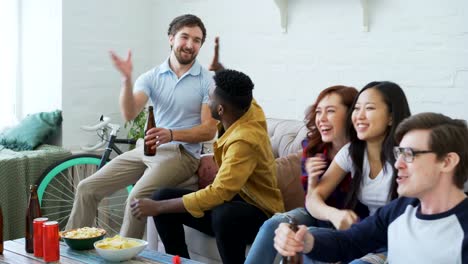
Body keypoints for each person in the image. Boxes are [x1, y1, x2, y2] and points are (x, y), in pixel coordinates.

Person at [65, 14, 218, 238]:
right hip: (147, 149)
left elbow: (209, 130)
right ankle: (73, 251)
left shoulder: (207, 81)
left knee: (136, 198)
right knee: (86, 188)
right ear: (171, 38)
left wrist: (172, 133)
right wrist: (126, 80)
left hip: (182, 154)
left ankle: (123, 256)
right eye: (185, 37)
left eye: (197, 40)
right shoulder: (152, 77)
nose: (190, 45)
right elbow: (129, 112)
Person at [130, 69, 284, 264]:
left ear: (220, 109)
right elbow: (238, 88)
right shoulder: (247, 107)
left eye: (209, 99)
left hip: (260, 213)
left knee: (222, 215)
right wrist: (218, 69)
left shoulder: (244, 140)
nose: (206, 102)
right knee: (161, 196)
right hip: (236, 199)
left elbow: (219, 193)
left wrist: (157, 207)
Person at [274, 112, 468, 263]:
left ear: (447, 161)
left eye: (409, 154)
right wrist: (305, 241)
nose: (398, 163)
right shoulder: (400, 209)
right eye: (398, 153)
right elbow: (350, 242)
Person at [245, 85, 359, 264]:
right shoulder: (314, 148)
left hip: (348, 222)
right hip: (316, 214)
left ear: (351, 115)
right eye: (318, 112)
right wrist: (313, 180)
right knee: (272, 224)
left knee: (305, 237)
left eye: (330, 111)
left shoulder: (361, 153)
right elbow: (311, 201)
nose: (321, 119)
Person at [305, 81, 411, 263]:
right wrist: (334, 214)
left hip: (397, 242)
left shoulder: (406, 154)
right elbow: (314, 198)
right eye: (356, 109)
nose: (359, 116)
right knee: (308, 240)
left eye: (369, 108)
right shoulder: (351, 152)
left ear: (391, 118)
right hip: (367, 238)